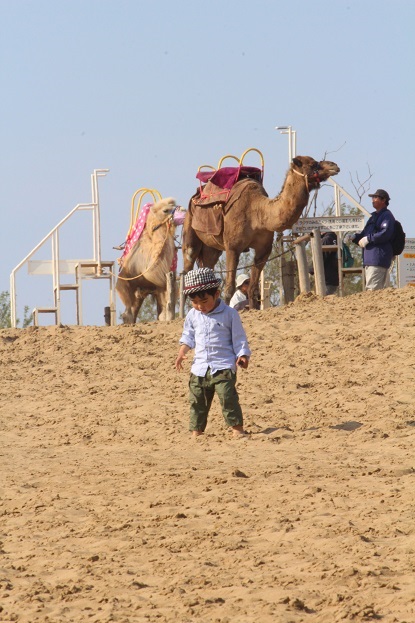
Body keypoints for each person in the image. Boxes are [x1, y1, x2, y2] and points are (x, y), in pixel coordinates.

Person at [175, 267, 251, 438]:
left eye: (204, 301)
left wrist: (243, 355)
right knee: (197, 400)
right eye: (195, 302)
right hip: (199, 368)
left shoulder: (230, 314)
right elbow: (188, 336)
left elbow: (239, 338)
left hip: (223, 365)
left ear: (216, 294)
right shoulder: (193, 315)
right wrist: (182, 352)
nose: (200, 306)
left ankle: (237, 429)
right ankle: (197, 431)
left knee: (227, 397)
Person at [351, 189, 395, 290]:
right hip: (370, 259)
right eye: (372, 198)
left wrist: (369, 239)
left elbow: (385, 233)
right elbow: (364, 234)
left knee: (372, 290)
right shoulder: (373, 217)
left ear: (383, 200)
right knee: (371, 289)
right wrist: (355, 238)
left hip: (377, 258)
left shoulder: (386, 216)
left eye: (375, 197)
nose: (372, 200)